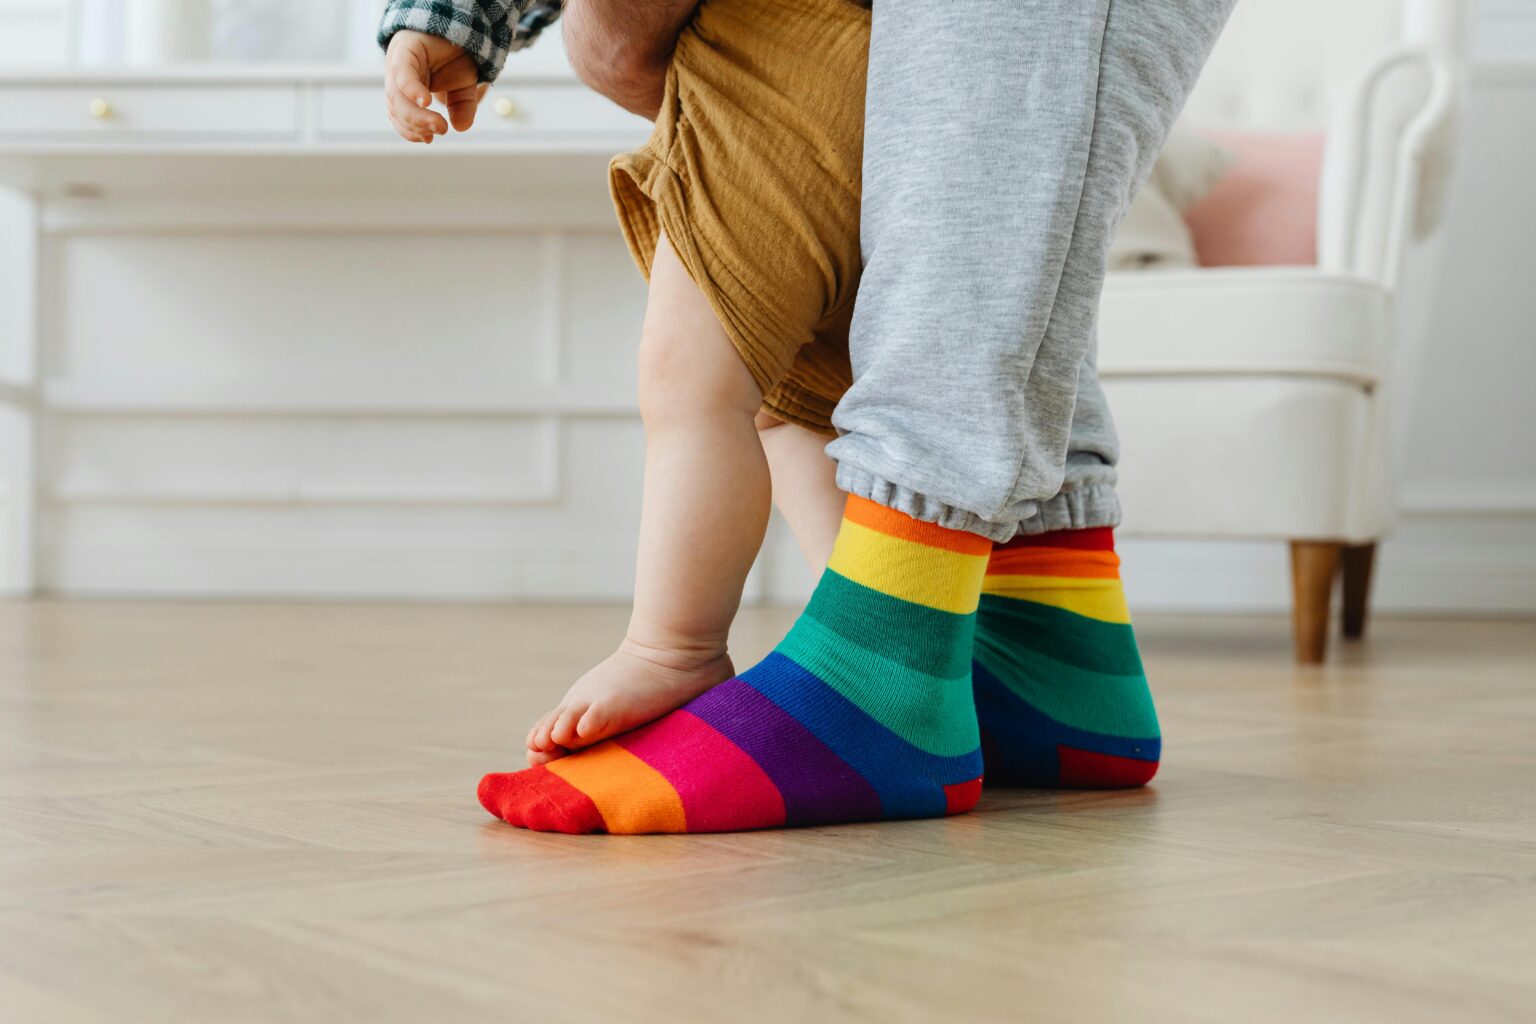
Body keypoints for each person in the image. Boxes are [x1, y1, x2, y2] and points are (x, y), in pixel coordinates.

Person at [379, 0, 1236, 834]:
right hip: (869, 53)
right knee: (930, 294)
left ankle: (774, 659)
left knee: (709, 384)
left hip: (772, 52)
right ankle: (1026, 660)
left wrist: (452, 18)